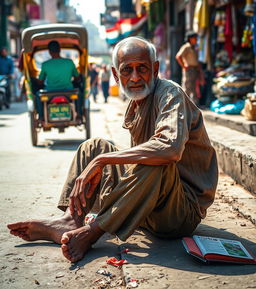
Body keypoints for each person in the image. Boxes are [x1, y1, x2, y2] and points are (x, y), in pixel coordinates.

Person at [7, 37, 218, 264]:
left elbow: (169, 148)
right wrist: (99, 157)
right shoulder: (136, 102)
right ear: (116, 75)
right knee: (93, 146)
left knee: (154, 160)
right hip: (149, 205)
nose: (135, 77)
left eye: (142, 68)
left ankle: (93, 231)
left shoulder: (170, 94)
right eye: (127, 70)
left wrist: (102, 161)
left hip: (179, 213)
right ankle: (71, 219)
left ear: (155, 69)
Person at [36, 40, 81, 119]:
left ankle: (41, 116)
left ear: (49, 52)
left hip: (49, 92)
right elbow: (77, 77)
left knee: (37, 95)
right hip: (68, 91)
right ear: (60, 50)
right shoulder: (69, 62)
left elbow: (40, 82)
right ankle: (79, 114)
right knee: (80, 93)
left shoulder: (45, 65)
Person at [175, 31, 204, 105]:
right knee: (187, 87)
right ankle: (184, 104)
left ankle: (194, 105)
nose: (196, 39)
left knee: (194, 88)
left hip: (195, 69)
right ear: (190, 39)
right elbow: (178, 56)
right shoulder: (186, 47)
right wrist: (184, 66)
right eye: (194, 38)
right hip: (189, 70)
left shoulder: (195, 47)